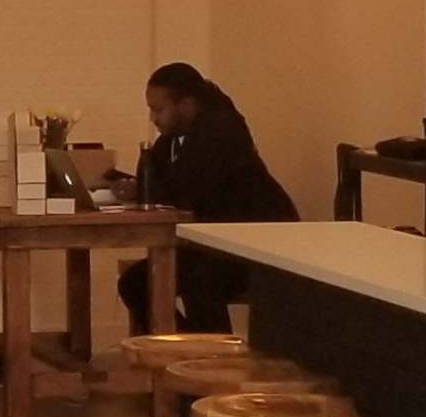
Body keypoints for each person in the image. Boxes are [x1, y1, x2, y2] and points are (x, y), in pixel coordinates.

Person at [117, 63, 296, 334]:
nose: (154, 119)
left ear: (186, 105)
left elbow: (183, 192)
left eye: (158, 109)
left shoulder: (220, 133)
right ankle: (187, 349)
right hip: (218, 243)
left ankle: (212, 358)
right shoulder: (178, 135)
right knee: (136, 282)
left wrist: (146, 187)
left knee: (198, 279)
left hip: (257, 245)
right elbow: (158, 174)